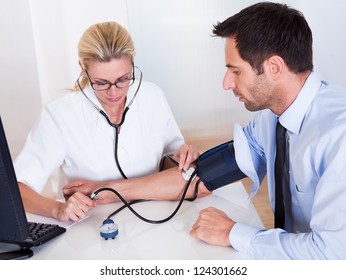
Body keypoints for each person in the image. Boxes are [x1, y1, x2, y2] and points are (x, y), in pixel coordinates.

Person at [63, 2, 346, 259]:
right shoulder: (271, 120)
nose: (226, 83)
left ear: (274, 67)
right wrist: (106, 191)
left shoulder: (338, 137)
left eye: (235, 71)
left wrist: (232, 232)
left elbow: (333, 255)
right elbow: (198, 177)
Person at [14, 21, 199, 223]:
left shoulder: (152, 95)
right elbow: (17, 188)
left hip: (158, 216)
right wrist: (57, 209)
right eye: (101, 83)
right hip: (96, 227)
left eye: (123, 79)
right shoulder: (59, 114)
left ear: (132, 64)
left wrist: (182, 155)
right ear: (83, 69)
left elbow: (170, 161)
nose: (113, 92)